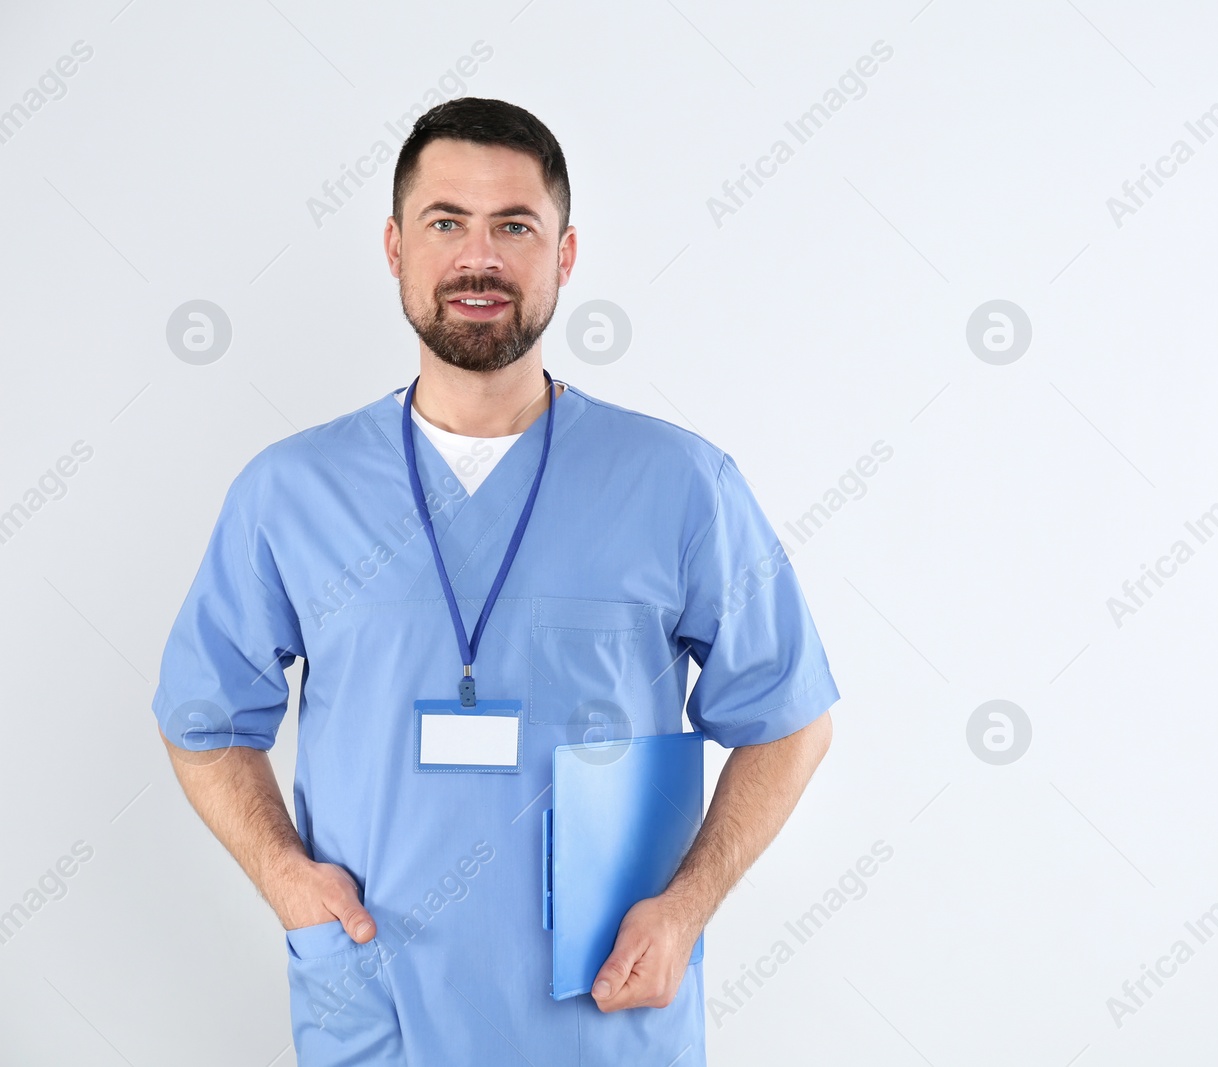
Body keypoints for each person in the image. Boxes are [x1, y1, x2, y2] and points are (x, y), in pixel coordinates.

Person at [151, 96, 838, 1065]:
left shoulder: (679, 484)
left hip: (603, 1013)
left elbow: (791, 717)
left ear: (563, 256)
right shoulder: (290, 493)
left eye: (515, 226)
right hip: (378, 1006)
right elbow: (202, 716)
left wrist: (686, 908)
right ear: (395, 247)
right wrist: (285, 876)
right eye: (446, 223)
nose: (480, 259)